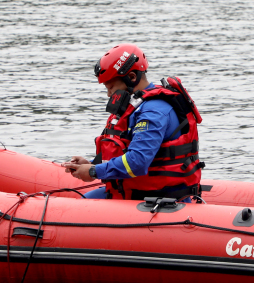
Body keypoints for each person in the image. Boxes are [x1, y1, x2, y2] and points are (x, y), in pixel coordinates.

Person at [64, 44, 204, 201]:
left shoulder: (153, 112)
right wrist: (91, 163)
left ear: (131, 77)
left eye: (111, 87)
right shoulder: (138, 105)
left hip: (157, 198)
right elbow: (128, 149)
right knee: (82, 201)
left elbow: (137, 162)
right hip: (134, 192)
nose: (109, 94)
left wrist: (93, 171)